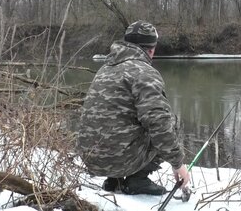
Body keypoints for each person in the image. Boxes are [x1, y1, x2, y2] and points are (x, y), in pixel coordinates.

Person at [77, 21, 190, 195]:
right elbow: (159, 123)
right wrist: (178, 164)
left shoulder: (105, 68)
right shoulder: (145, 72)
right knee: (167, 120)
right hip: (117, 161)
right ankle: (137, 180)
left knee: (123, 117)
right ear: (152, 49)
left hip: (91, 159)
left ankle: (114, 181)